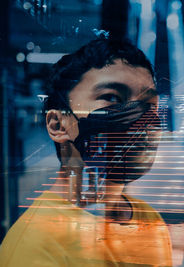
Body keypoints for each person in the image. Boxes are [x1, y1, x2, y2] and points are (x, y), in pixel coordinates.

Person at [0, 38, 173, 266]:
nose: (140, 117)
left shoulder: (150, 220)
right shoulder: (35, 247)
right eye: (111, 97)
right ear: (58, 125)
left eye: (149, 105)